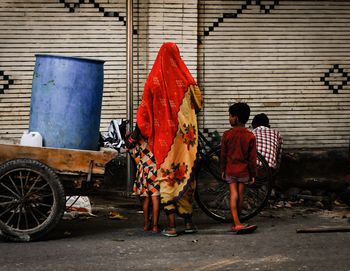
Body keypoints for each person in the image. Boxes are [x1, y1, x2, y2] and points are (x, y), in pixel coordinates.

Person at [135, 42, 203, 237]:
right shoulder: (187, 80)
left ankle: (172, 226)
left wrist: (149, 133)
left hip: (164, 142)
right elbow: (199, 103)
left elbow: (143, 116)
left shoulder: (152, 81)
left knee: (167, 179)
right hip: (186, 142)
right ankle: (189, 223)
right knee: (186, 178)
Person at [220, 102, 258, 234]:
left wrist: (223, 169)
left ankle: (236, 223)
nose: (229, 118)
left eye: (230, 116)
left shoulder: (227, 135)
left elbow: (223, 155)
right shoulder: (250, 136)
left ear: (236, 118)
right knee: (241, 195)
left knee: (233, 194)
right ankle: (238, 221)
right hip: (244, 171)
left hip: (230, 169)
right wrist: (253, 173)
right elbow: (252, 158)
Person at [125, 126, 160, 233]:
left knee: (145, 198)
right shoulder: (156, 136)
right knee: (155, 198)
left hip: (143, 170)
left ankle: (146, 224)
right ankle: (155, 226)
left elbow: (131, 150)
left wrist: (127, 137)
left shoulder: (137, 138)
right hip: (155, 169)